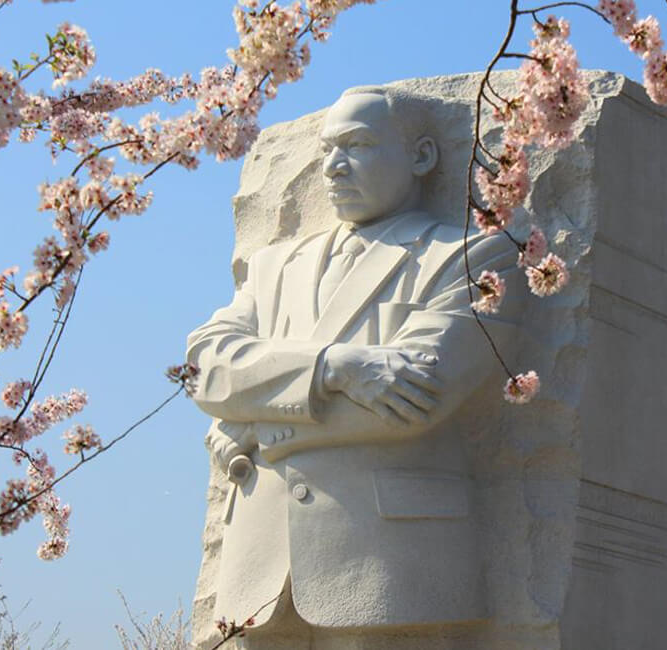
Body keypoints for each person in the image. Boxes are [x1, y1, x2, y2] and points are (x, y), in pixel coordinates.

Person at [187, 87, 523, 647]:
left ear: (421, 157)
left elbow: (418, 397)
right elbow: (202, 367)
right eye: (325, 151)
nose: (333, 167)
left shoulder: (472, 259)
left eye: (357, 145)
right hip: (259, 569)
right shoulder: (272, 268)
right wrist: (334, 367)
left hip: (389, 564)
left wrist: (249, 421)